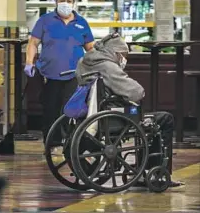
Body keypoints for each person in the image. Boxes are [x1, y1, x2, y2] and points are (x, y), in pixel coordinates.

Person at [76, 33, 183, 187]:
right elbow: (136, 92)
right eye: (123, 54)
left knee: (148, 118)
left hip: (92, 112)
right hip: (113, 116)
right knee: (164, 119)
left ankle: (142, 171)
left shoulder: (83, 62)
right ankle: (155, 172)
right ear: (115, 52)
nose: (124, 58)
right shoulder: (108, 66)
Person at [24, 0, 95, 144]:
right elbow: (33, 43)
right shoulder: (45, 20)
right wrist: (29, 62)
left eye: (69, 1)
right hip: (49, 74)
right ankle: (51, 144)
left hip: (74, 74)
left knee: (69, 110)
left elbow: (90, 48)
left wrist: (97, 64)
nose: (65, 4)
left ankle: (68, 143)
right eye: (62, 0)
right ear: (56, 2)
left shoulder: (81, 23)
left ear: (74, 3)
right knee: (50, 110)